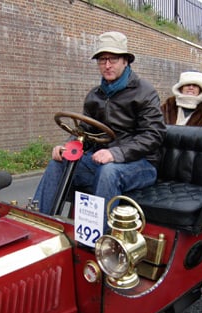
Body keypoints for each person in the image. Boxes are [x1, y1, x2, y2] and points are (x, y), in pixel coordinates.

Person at [33, 31, 166, 216]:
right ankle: (40, 222)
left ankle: (98, 240)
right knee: (59, 163)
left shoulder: (145, 92)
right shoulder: (94, 95)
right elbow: (84, 131)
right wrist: (68, 148)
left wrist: (115, 153)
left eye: (113, 59)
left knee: (108, 172)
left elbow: (154, 135)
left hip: (141, 165)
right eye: (102, 60)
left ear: (125, 61)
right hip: (100, 162)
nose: (107, 65)